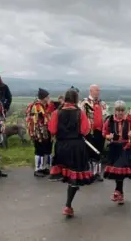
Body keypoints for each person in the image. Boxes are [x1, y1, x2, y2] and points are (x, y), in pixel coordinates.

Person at [48, 88, 93, 217]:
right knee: (74, 175)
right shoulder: (80, 113)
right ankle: (68, 205)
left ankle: (71, 192)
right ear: (75, 99)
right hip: (76, 146)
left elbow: (52, 129)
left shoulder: (57, 113)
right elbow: (85, 130)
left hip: (61, 145)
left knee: (66, 171)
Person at [102, 100, 131, 205]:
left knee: (120, 168)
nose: (120, 113)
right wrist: (108, 136)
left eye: (122, 110)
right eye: (118, 110)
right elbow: (104, 132)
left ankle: (117, 191)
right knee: (118, 171)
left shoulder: (129, 119)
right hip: (114, 148)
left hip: (125, 147)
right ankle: (120, 193)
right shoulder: (109, 120)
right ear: (115, 110)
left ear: (125, 110)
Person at [80, 84, 108, 182]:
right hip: (89, 132)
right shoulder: (84, 102)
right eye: (96, 90)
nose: (98, 92)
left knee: (98, 152)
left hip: (100, 132)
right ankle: (89, 173)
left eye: (99, 90)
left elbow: (106, 117)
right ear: (91, 91)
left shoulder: (102, 103)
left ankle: (97, 173)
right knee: (90, 152)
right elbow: (81, 117)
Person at [26, 88, 54, 177]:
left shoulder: (45, 105)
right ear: (44, 97)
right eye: (48, 96)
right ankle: (38, 169)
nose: (49, 98)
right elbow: (39, 120)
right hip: (38, 132)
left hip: (47, 131)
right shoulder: (36, 106)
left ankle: (45, 167)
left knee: (47, 150)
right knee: (39, 150)